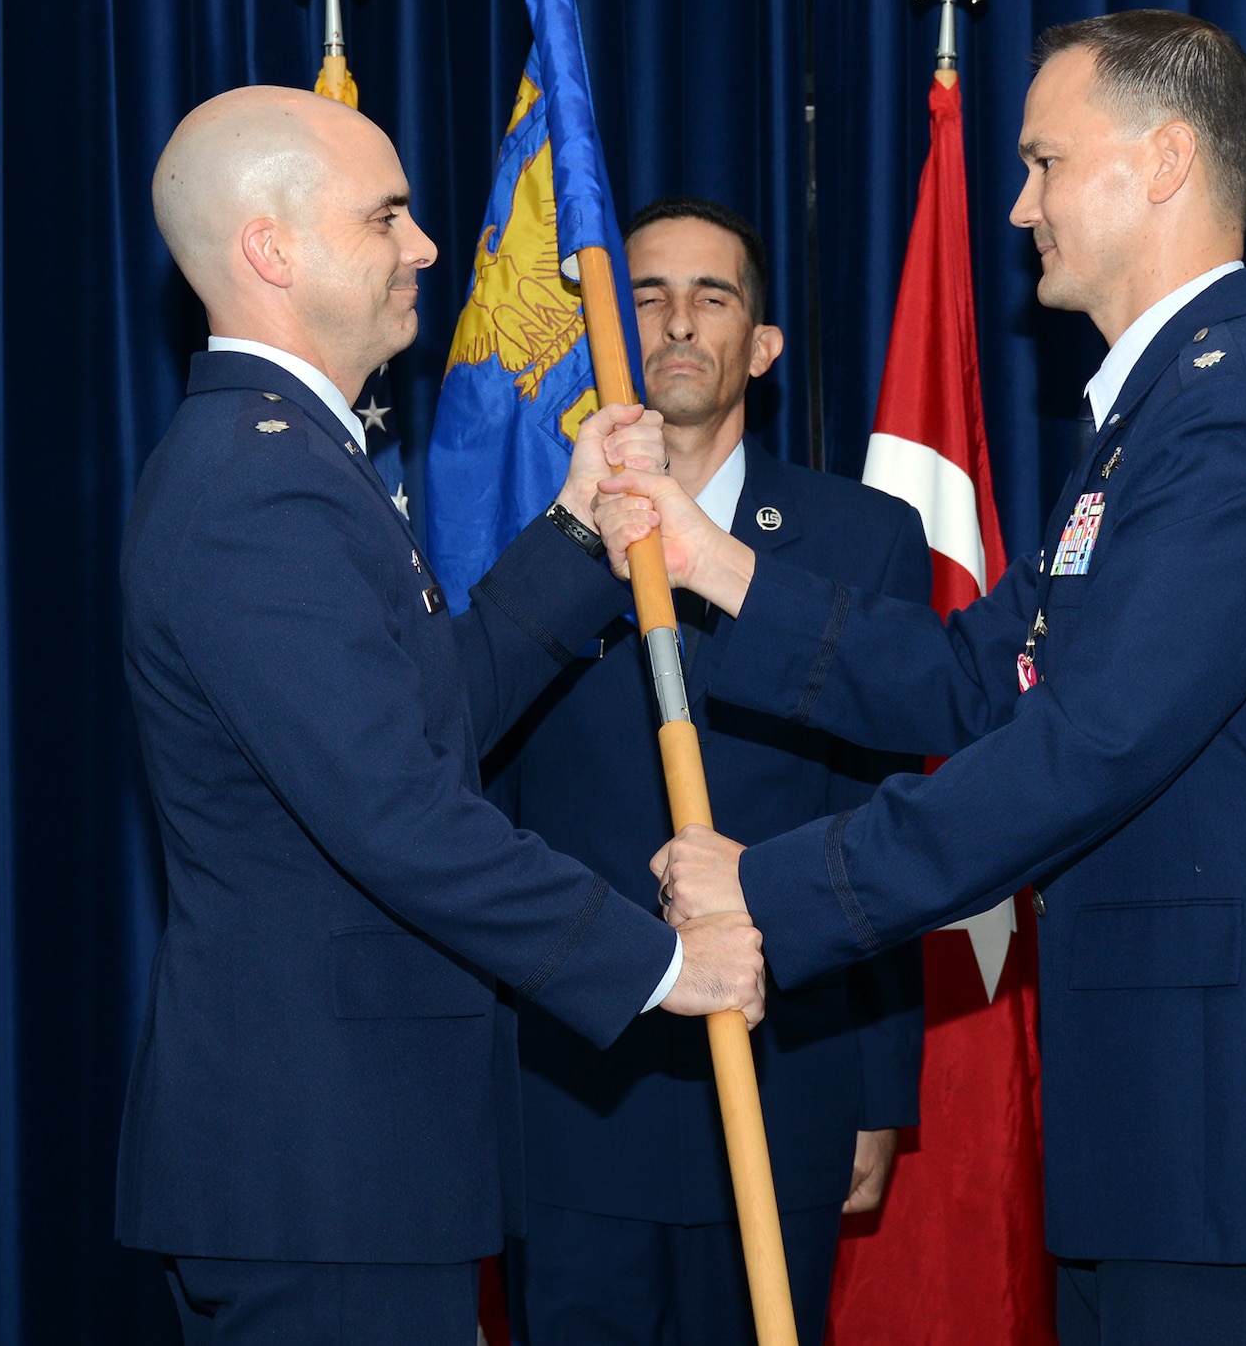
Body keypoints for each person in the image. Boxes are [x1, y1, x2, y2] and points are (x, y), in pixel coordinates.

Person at [604, 12, 1246, 1345]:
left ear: (1164, 160)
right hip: (1170, 1141)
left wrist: (768, 888)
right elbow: (973, 670)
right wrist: (715, 563)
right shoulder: (1158, 417)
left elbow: (1086, 746)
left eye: (1044, 163)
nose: (1019, 207)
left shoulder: (1235, 420)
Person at [117, 86, 765, 1344]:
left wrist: (573, 530)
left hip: (353, 1162)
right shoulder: (259, 486)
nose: (423, 245)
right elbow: (398, 815)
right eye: (386, 217)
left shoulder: (293, 460)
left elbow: (427, 718)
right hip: (318, 1167)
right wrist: (660, 962)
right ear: (270, 250)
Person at [486, 197, 928, 1344]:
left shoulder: (862, 538)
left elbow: (883, 812)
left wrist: (877, 1088)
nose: (676, 322)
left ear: (761, 344)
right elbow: (485, 807)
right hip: (575, 1085)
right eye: (645, 296)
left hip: (784, 1074)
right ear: (603, 334)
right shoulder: (530, 541)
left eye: (711, 296)